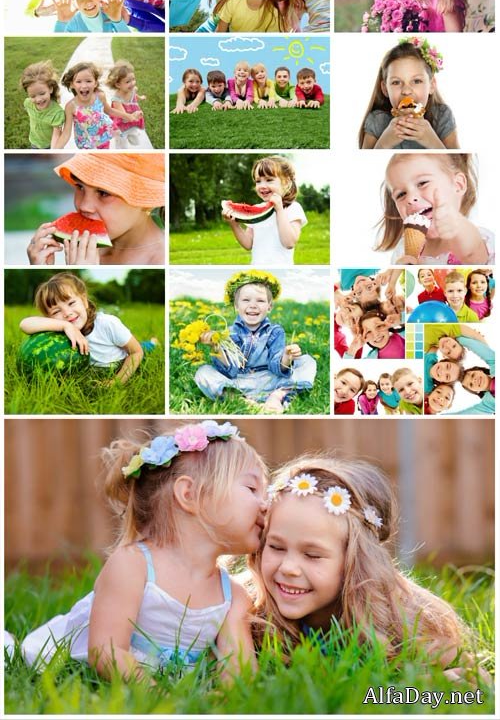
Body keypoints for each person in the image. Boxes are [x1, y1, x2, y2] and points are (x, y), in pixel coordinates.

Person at [8, 422, 267, 677]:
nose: (265, 505)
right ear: (189, 494)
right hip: (69, 666)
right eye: (252, 488)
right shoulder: (133, 565)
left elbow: (239, 670)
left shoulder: (233, 595)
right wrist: (160, 697)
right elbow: (106, 651)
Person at [249, 453, 481, 674]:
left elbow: (477, 678)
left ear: (356, 562)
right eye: (276, 547)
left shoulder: (401, 624)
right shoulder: (247, 613)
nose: (289, 568)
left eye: (312, 555)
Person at [194, 272, 316, 413]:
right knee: (203, 372)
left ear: (269, 307)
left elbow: (276, 367)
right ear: (236, 305)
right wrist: (217, 349)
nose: (253, 305)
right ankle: (242, 400)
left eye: (260, 301)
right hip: (239, 381)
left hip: (270, 379)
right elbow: (231, 372)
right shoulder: (228, 333)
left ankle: (278, 396)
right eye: (246, 300)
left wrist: (287, 357)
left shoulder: (275, 331)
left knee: (307, 361)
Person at [27, 152, 165, 267]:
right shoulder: (86, 248)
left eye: (104, 193)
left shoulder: (161, 261)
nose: (84, 206)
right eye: (80, 187)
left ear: (147, 201)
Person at [19, 273, 157, 385]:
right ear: (49, 318)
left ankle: (153, 342)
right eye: (56, 311)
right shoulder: (61, 329)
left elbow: (135, 352)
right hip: (93, 367)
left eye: (71, 303)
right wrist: (65, 326)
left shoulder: (107, 324)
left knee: (144, 347)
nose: (67, 313)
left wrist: (117, 381)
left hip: (123, 357)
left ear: (84, 301)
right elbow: (24, 324)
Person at [377, 152, 494, 266]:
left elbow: (472, 255)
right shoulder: (403, 250)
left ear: (458, 185)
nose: (410, 198)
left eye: (422, 183)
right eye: (401, 194)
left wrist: (456, 222)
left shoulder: (475, 238)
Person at [360, 37, 458, 149]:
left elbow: (455, 163)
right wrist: (383, 144)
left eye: (416, 81)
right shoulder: (377, 120)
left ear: (431, 85)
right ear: (385, 89)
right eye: (396, 82)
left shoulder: (441, 116)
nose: (406, 91)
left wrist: (433, 142)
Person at [222, 156, 307, 267]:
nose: (262, 186)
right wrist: (233, 223)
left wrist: (279, 210)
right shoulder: (257, 208)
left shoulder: (293, 208)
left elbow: (289, 243)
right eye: (258, 181)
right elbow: (248, 244)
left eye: (269, 180)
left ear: (286, 182)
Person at [58, 62, 131, 150]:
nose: (84, 86)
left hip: (102, 137)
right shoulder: (71, 106)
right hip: (85, 143)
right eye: (78, 81)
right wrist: (55, 149)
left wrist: (128, 116)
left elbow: (109, 111)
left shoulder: (100, 96)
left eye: (88, 81)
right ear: (72, 84)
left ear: (95, 83)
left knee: (103, 158)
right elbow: (66, 133)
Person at [19, 61, 66, 150]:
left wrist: (53, 152)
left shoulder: (57, 113)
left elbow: (56, 135)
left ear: (51, 89)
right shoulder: (28, 103)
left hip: (50, 146)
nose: (38, 99)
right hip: (34, 142)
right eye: (33, 96)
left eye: (42, 93)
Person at [106, 61, 151, 148]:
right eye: (128, 82)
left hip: (132, 119)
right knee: (122, 143)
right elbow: (124, 116)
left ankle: (131, 133)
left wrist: (140, 97)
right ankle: (121, 150)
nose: (132, 83)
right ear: (118, 84)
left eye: (133, 79)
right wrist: (133, 115)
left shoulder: (132, 89)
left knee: (134, 135)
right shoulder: (116, 100)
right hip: (121, 124)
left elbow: (134, 95)